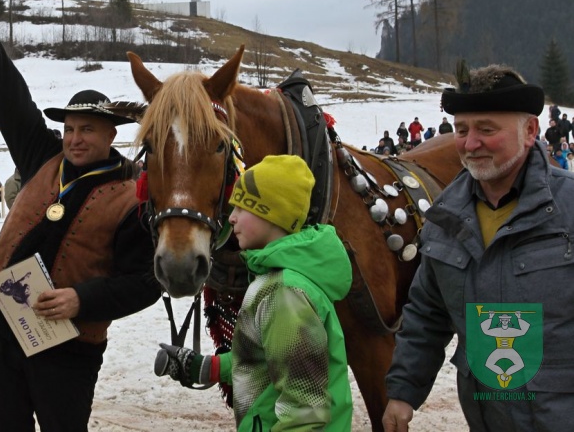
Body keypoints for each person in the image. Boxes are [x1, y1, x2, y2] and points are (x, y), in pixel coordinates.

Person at [0, 0, 161, 432]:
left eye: (86, 129)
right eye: (69, 128)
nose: (74, 139)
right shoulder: (41, 156)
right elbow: (10, 100)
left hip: (68, 347)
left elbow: (144, 283)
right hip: (5, 329)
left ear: (110, 134)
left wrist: (81, 299)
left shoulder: (133, 196)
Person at [382, 64, 574, 432]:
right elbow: (426, 314)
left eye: (487, 130)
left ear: (530, 131)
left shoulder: (569, 209)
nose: (470, 144)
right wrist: (404, 391)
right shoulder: (445, 219)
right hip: (487, 416)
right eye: (462, 130)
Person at [155, 155, 353, 431]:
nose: (231, 217)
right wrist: (207, 367)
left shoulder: (285, 294)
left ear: (271, 213)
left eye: (242, 207)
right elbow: (267, 357)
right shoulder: (275, 278)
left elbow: (305, 413)